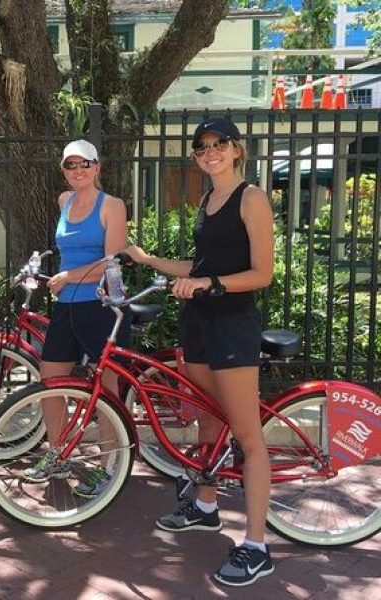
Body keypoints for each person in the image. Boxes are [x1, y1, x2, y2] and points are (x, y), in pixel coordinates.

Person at [125, 117, 275, 587]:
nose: (209, 151)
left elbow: (261, 273)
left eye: (218, 144)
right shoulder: (208, 202)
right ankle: (207, 506)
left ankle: (256, 546)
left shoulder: (252, 198)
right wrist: (150, 262)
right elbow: (199, 265)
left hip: (232, 325)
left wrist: (208, 284)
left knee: (248, 437)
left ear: (237, 149)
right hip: (201, 323)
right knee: (209, 420)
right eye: (201, 147)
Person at [22, 139, 131, 498]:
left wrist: (69, 276)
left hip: (99, 306)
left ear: (97, 167)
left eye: (84, 164)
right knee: (50, 380)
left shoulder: (111, 206)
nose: (77, 171)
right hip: (66, 306)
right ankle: (57, 453)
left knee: (107, 389)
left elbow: (112, 260)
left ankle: (108, 464)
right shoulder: (64, 202)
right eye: (70, 165)